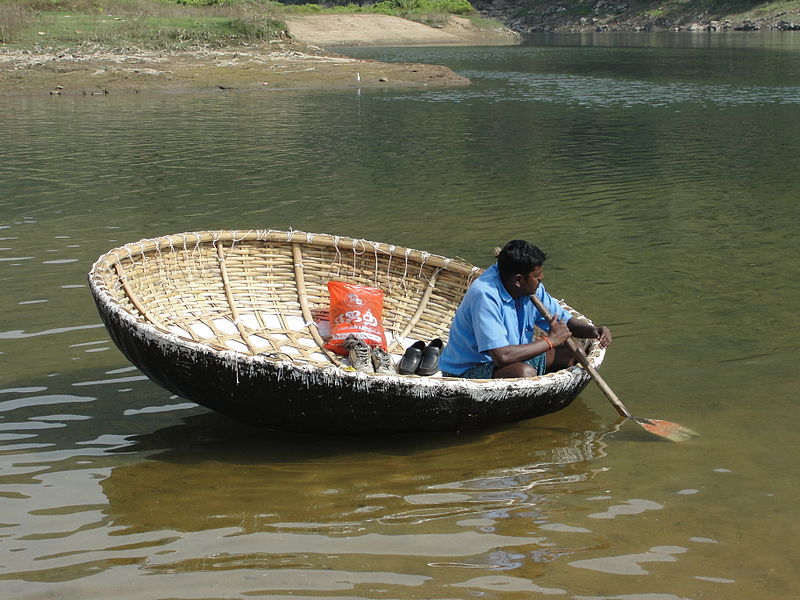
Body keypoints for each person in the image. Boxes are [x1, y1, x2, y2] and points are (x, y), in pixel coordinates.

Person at [439, 239, 612, 379]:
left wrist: (595, 331)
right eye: (537, 276)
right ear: (518, 280)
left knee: (575, 353)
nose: (541, 278)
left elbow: (565, 322)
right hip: (469, 371)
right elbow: (502, 357)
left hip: (513, 358)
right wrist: (550, 341)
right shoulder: (485, 295)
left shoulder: (531, 289)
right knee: (524, 373)